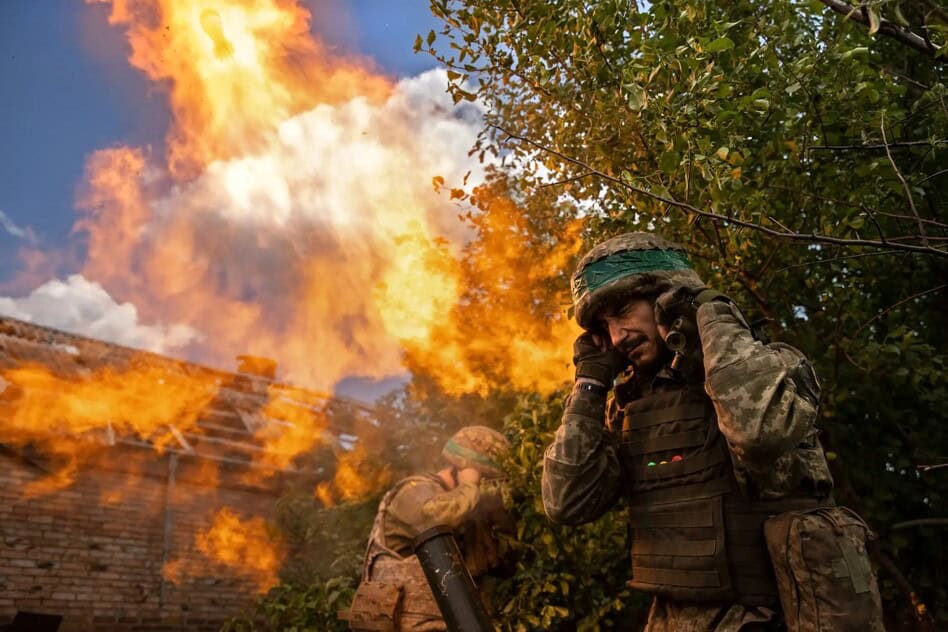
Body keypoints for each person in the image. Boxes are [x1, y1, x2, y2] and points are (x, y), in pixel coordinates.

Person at [542, 232, 883, 631]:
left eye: (622, 311)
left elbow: (757, 434)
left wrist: (710, 314)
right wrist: (589, 386)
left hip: (771, 618)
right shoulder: (629, 408)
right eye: (605, 325)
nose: (617, 337)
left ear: (669, 298)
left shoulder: (774, 368)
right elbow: (567, 503)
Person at [347, 425, 512, 632]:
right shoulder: (414, 491)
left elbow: (497, 565)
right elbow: (436, 517)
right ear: (461, 470)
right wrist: (470, 485)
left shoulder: (465, 509)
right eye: (483, 479)